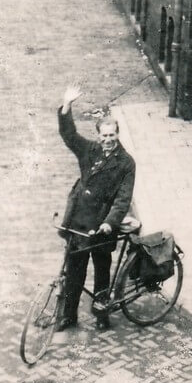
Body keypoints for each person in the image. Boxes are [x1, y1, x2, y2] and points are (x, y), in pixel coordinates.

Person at [56, 85, 135, 332]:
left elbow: (123, 199)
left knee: (102, 269)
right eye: (104, 136)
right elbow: (69, 135)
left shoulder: (126, 163)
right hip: (79, 221)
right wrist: (67, 106)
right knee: (74, 270)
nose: (108, 140)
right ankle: (69, 315)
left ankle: (102, 313)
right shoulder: (89, 150)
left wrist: (109, 223)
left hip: (102, 224)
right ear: (98, 135)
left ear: (118, 135)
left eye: (112, 136)